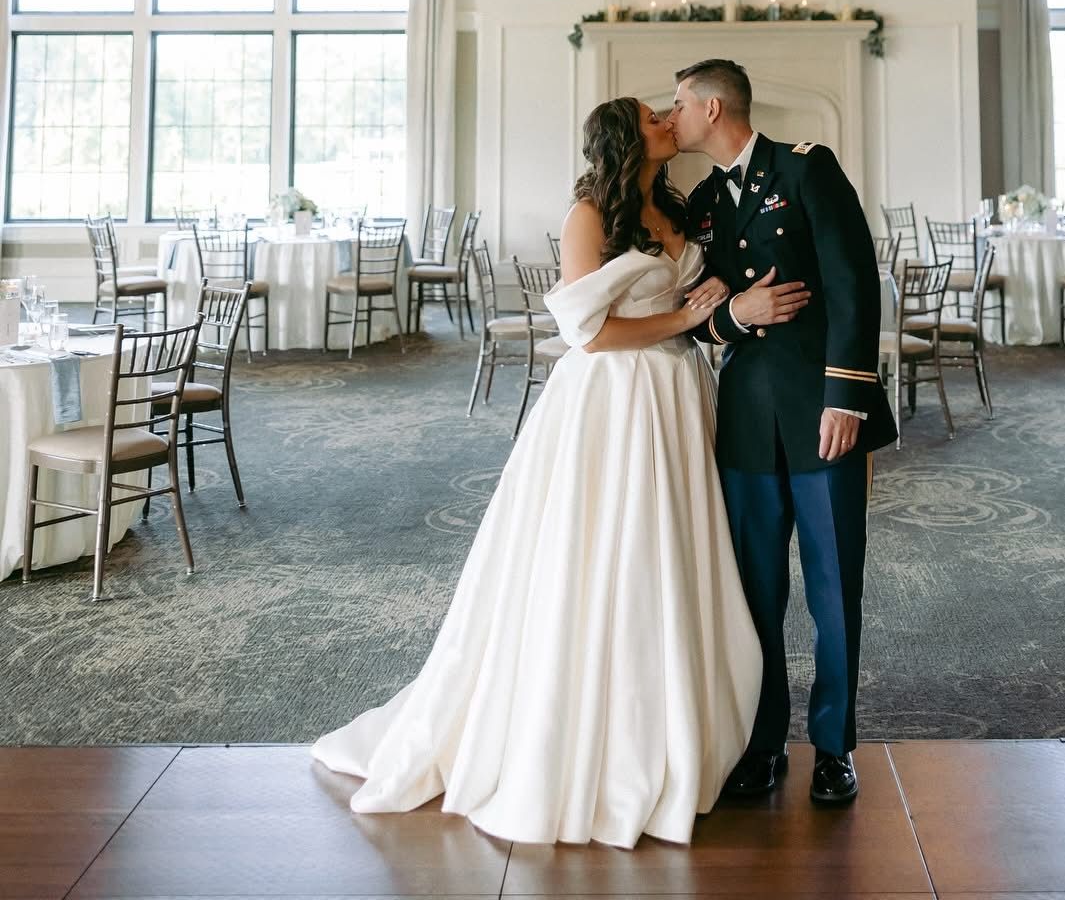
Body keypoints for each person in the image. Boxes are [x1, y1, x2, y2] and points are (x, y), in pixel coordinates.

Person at [313, 98, 775, 848]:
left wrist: (713, 302)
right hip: (615, 400)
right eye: (654, 114)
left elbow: (694, 295)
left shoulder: (680, 206)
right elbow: (589, 335)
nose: (669, 117)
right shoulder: (589, 216)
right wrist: (687, 320)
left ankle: (679, 720)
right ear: (629, 138)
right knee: (608, 552)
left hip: (678, 397)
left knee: (675, 550)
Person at [670, 59, 896, 809]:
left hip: (821, 416)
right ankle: (762, 743)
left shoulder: (806, 170)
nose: (672, 117)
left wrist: (847, 399)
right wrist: (735, 314)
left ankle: (833, 748)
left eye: (678, 104)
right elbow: (695, 307)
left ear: (711, 107)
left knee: (834, 590)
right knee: (754, 591)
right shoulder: (702, 203)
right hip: (743, 421)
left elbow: (853, 280)